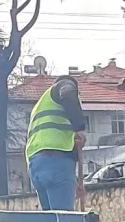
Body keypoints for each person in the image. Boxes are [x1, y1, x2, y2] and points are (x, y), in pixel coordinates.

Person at [26, 75, 86, 211]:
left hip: (36, 167)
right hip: (57, 162)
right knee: (64, 221)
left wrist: (74, 182)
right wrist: (79, 129)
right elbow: (68, 93)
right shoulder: (64, 85)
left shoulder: (40, 105)